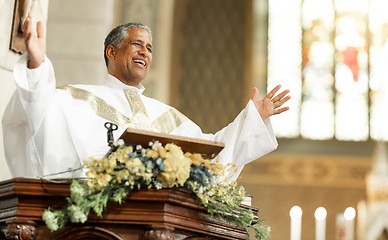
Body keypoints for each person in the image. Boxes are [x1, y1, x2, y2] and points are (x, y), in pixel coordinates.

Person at [2, 14, 290, 180]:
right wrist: (37, 65)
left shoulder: (166, 116)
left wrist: (254, 118)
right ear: (111, 52)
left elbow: (211, 152)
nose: (144, 52)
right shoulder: (74, 99)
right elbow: (35, 115)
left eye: (149, 48)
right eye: (136, 44)